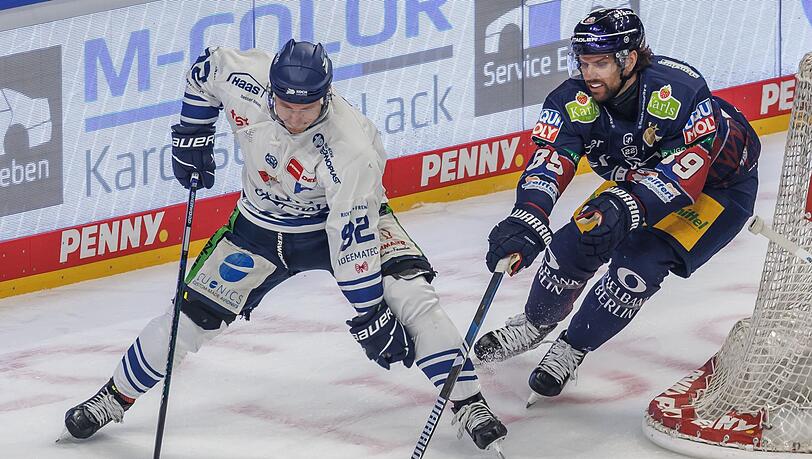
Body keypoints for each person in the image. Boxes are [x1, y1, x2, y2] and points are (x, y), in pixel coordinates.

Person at [62, 39, 507, 452]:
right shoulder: (244, 79)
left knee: (410, 294)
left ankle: (468, 402)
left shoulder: (351, 148)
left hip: (337, 225)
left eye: (307, 107)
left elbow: (352, 242)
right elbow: (205, 70)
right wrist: (191, 131)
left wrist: (371, 312)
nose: (294, 116)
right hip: (257, 228)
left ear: (326, 96)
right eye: (285, 104)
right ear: (271, 89)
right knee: (190, 317)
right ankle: (113, 397)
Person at [473, 8, 760, 405]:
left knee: (636, 268)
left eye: (602, 62)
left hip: (718, 190)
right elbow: (550, 160)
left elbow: (684, 177)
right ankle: (536, 322)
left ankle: (573, 347)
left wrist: (624, 206)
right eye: (584, 62)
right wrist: (529, 215)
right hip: (638, 179)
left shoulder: (679, 90)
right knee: (574, 245)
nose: (590, 73)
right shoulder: (573, 100)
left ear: (629, 58)